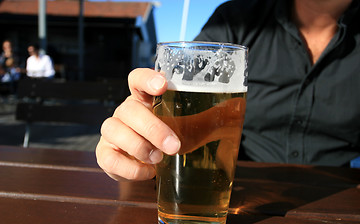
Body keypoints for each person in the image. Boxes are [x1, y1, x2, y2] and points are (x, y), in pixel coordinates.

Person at [96, 0, 360, 181]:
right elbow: (179, 102)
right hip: (239, 194)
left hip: (340, 197)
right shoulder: (237, 21)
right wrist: (140, 132)